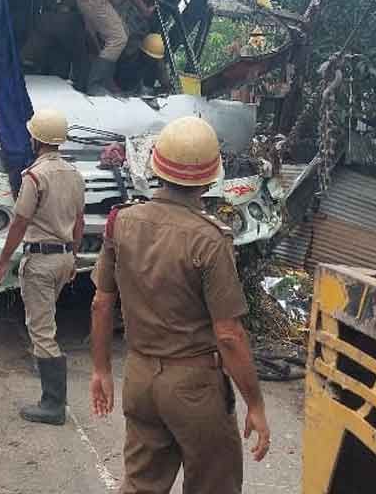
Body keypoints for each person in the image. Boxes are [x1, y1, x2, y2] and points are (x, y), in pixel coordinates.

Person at [89, 116, 270, 493]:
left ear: (156, 165)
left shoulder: (121, 222)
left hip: (139, 377)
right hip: (194, 387)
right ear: (209, 178)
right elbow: (230, 335)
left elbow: (101, 304)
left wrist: (102, 370)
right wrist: (255, 403)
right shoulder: (209, 240)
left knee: (141, 485)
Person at [0, 109, 85, 426]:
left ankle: (53, 404)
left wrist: (3, 262)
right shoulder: (74, 173)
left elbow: (20, 221)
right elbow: (79, 222)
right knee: (47, 322)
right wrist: (74, 256)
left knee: (42, 330)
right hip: (65, 257)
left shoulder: (34, 176)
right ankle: (52, 396)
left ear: (36, 139)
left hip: (41, 260)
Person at [117, 32, 172, 97]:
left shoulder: (158, 65)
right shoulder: (128, 61)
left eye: (154, 59)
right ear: (142, 52)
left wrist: (162, 70)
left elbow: (166, 88)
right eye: (148, 57)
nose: (151, 60)